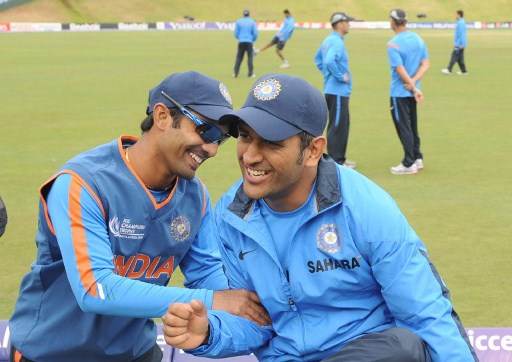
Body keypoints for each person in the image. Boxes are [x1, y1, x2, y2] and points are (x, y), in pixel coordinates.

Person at [161, 74, 477, 361]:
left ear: (313, 150)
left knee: (402, 348)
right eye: (244, 137)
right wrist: (209, 333)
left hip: (365, 354)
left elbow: (425, 314)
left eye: (271, 142)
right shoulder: (232, 214)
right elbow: (254, 322)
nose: (251, 156)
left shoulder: (367, 208)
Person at [8, 71, 270, 362]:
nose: (211, 149)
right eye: (205, 131)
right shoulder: (82, 183)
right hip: (52, 353)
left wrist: (246, 306)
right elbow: (96, 289)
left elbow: (206, 272)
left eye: (219, 139)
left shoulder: (196, 196)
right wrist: (217, 301)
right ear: (161, 116)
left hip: (135, 352)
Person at [387, 8, 430, 175]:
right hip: (412, 92)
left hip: (400, 92)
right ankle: (417, 158)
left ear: (393, 21)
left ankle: (408, 162)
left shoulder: (393, 44)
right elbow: (425, 64)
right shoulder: (418, 39)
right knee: (412, 126)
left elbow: (400, 69)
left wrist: (411, 85)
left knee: (404, 127)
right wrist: (415, 85)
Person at [315, 11, 357, 169]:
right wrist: (339, 76)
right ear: (339, 24)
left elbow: (318, 59)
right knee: (338, 125)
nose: (349, 24)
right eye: (347, 21)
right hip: (337, 91)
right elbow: (328, 60)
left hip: (335, 90)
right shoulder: (337, 42)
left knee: (342, 124)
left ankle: (341, 159)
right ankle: (335, 161)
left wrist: (327, 74)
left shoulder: (329, 40)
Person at [233, 9, 258, 78]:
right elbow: (255, 33)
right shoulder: (252, 22)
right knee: (250, 57)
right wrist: (252, 40)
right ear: (249, 14)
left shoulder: (239, 22)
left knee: (239, 58)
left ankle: (235, 73)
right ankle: (250, 73)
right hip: (249, 42)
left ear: (243, 14)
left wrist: (240, 38)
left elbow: (236, 33)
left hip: (241, 41)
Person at [441, 10, 468, 75]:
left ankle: (449, 69)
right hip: (459, 43)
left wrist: (462, 44)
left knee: (454, 56)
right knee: (460, 58)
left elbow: (462, 34)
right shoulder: (460, 22)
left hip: (459, 44)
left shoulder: (461, 23)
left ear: (459, 15)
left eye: (456, 14)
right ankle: (464, 71)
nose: (455, 16)